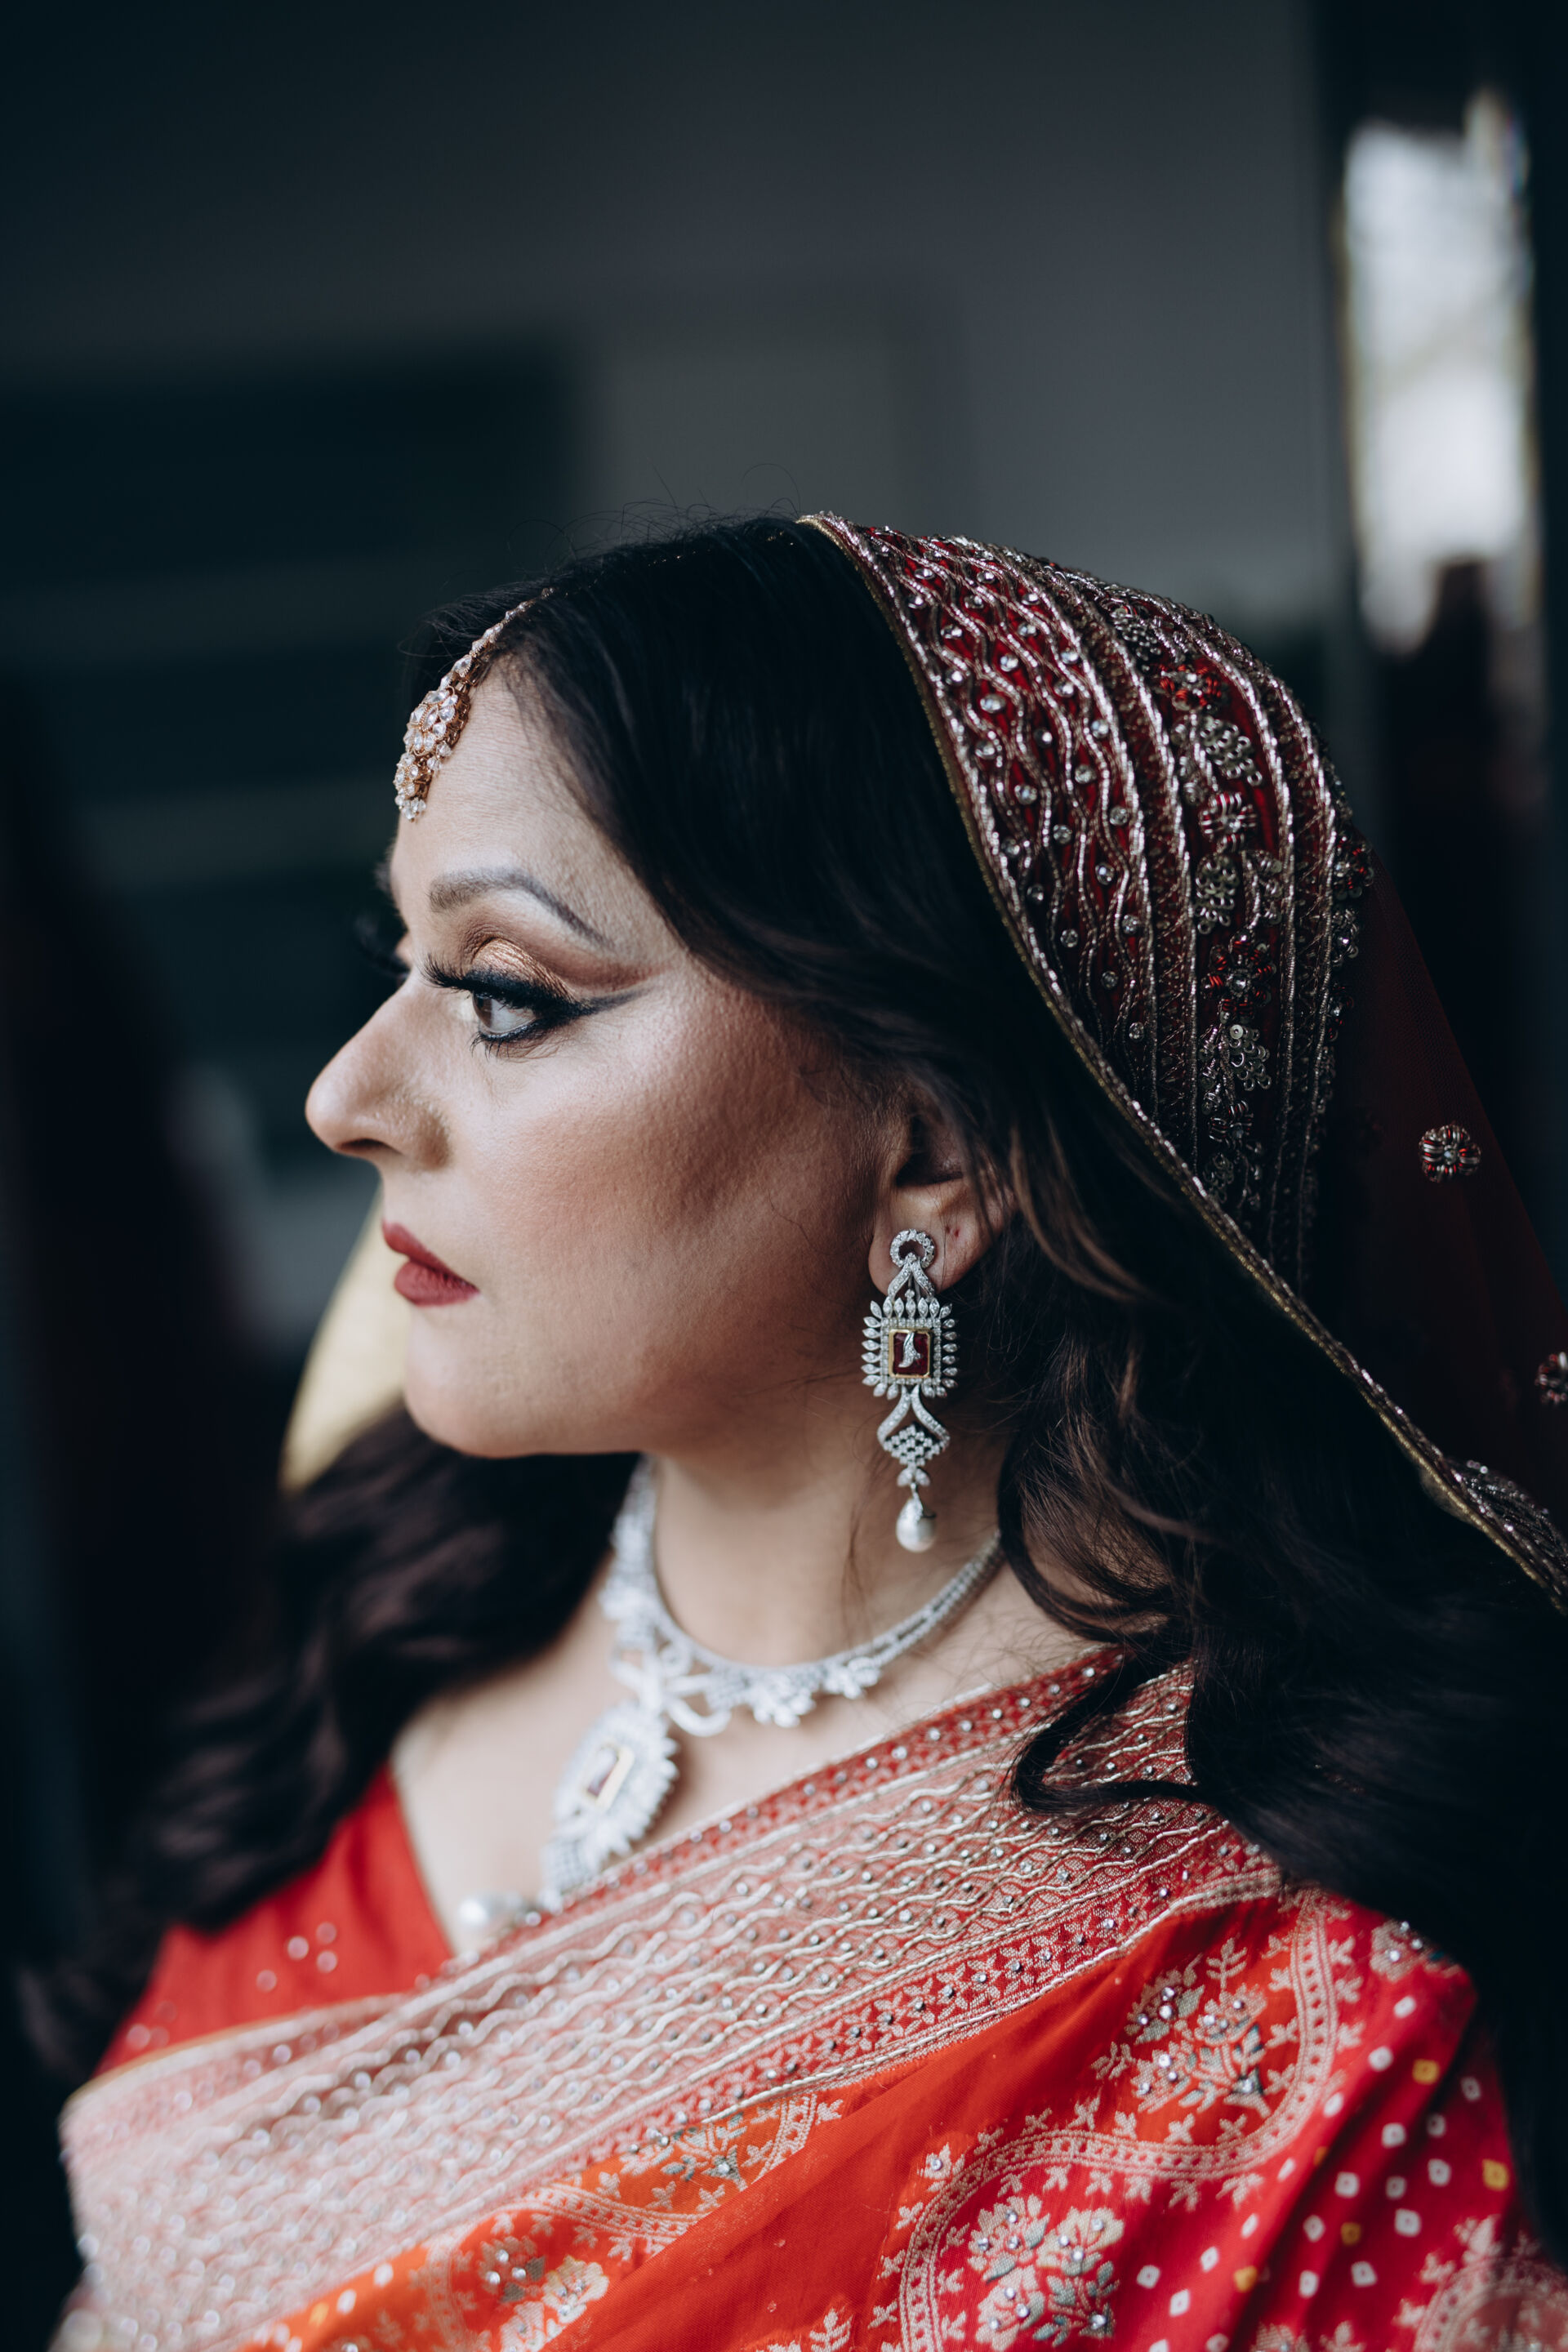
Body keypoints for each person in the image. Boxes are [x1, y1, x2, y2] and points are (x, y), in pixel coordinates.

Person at [42, 517, 1568, 2352]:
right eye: (398, 957)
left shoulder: (1301, 2017)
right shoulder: (394, 1572)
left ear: (936, 1150)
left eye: (507, 997)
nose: (345, 1094)